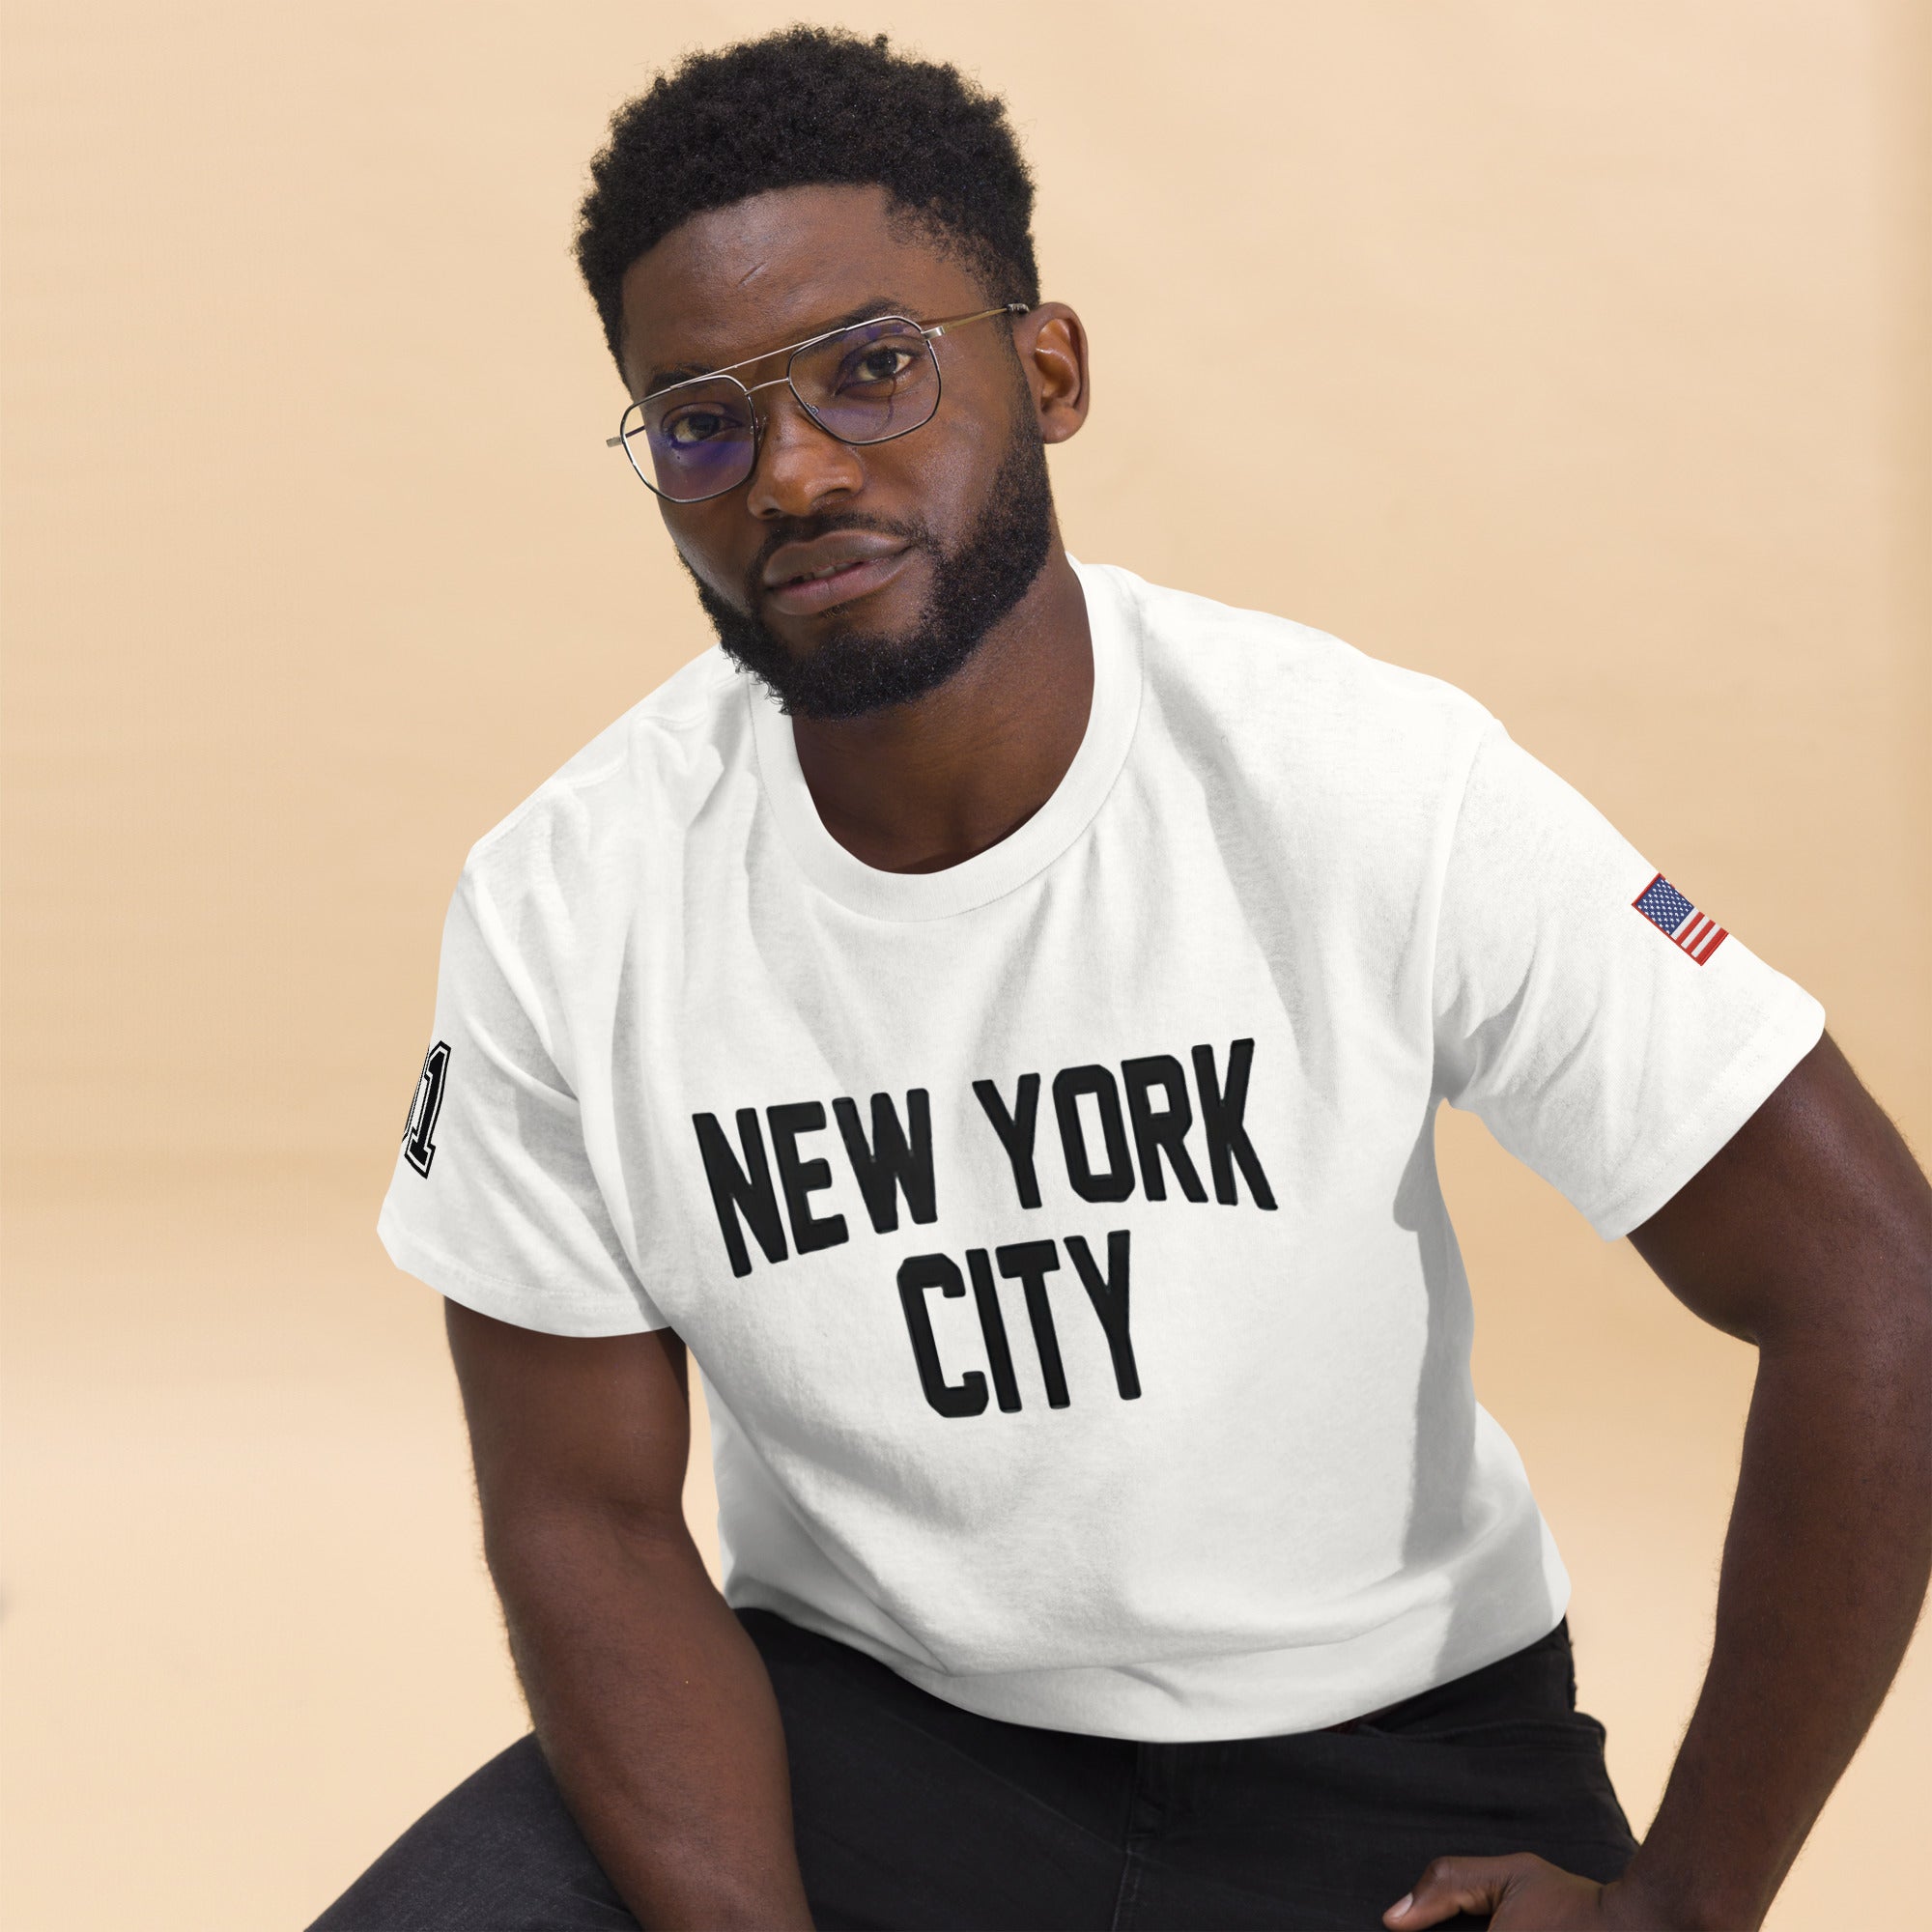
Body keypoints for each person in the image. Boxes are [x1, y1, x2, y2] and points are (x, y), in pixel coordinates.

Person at [311, 26, 1932, 1932]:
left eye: (872, 369)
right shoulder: (567, 899)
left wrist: (1685, 1905)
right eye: (700, 422)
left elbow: (1872, 1278)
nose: (795, 471)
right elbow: (581, 1512)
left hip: (1381, 1760)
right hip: (864, 1737)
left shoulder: (1359, 777)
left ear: (1048, 370)